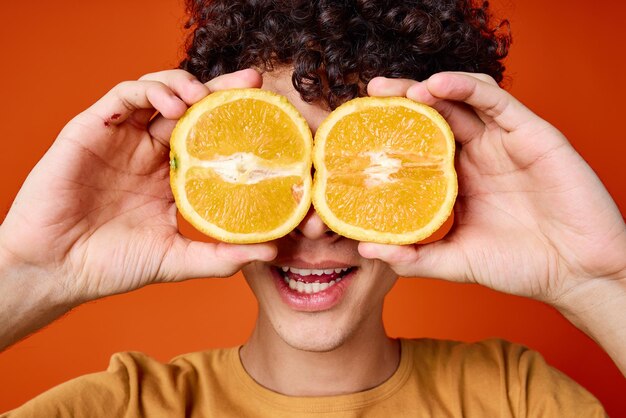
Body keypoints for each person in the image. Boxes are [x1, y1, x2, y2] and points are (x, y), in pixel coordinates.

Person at [0, 0, 624, 416]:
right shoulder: (119, 408)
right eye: (287, 162)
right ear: (214, 167)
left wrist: (597, 281)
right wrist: (29, 273)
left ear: (441, 179)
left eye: (349, 170)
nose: (316, 222)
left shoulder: (518, 399)